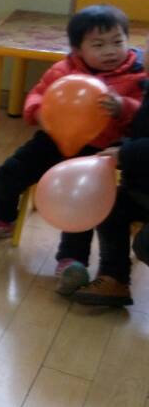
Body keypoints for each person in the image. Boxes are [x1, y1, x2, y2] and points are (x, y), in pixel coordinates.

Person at [0, 5, 145, 294]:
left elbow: (142, 119)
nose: (111, 51)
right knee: (7, 173)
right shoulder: (64, 69)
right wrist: (38, 112)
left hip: (100, 152)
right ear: (77, 49)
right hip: (54, 139)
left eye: (118, 41)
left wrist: (123, 107)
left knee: (80, 200)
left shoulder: (136, 77)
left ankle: (71, 260)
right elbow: (37, 95)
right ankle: (3, 218)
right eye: (98, 45)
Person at [76, 85, 149, 307]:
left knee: (146, 245)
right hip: (141, 190)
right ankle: (114, 278)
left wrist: (126, 153)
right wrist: (121, 146)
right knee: (109, 206)